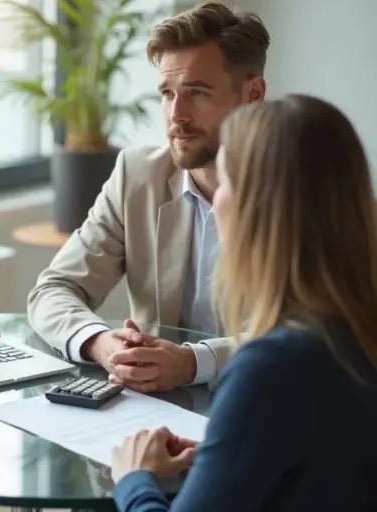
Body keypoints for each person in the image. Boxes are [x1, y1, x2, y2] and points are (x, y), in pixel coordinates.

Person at [110, 94, 377, 510]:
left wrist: (134, 478)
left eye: (226, 180)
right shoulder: (353, 329)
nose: (215, 200)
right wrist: (227, 453)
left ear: (260, 209)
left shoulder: (274, 366)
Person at [27, 3, 269, 391]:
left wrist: (194, 362)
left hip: (268, 410)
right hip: (153, 410)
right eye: (167, 93)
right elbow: (53, 290)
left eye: (197, 92)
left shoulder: (305, 190)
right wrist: (100, 343)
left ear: (252, 94)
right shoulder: (137, 176)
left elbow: (319, 333)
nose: (177, 114)